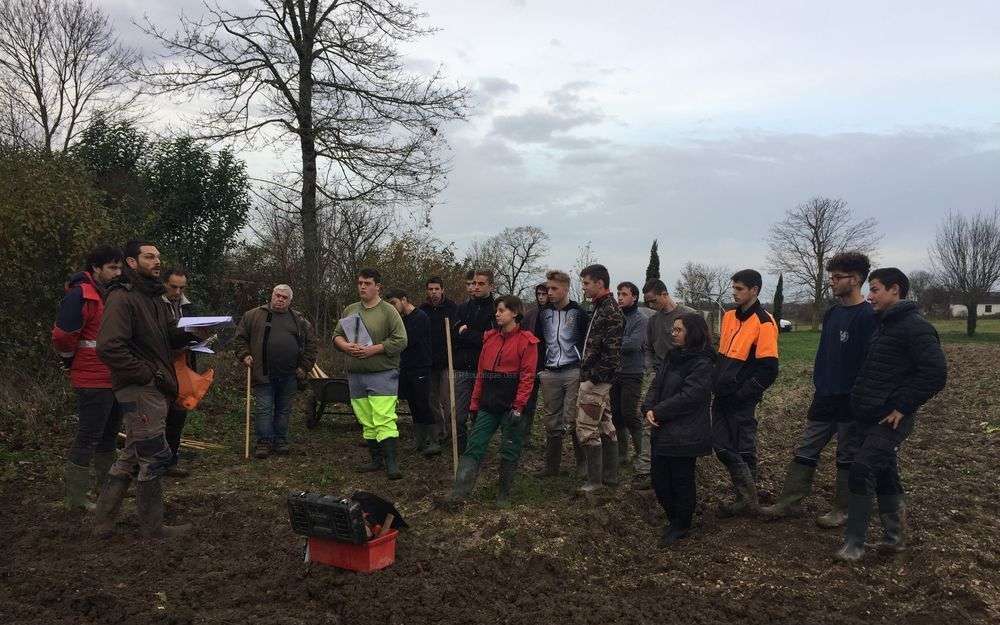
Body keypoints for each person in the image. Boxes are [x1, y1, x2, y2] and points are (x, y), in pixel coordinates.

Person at [835, 268, 947, 562]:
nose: (869, 296)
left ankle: (854, 543)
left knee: (861, 469)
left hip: (891, 417)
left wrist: (903, 407)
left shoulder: (916, 328)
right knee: (885, 471)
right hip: (868, 415)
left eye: (875, 290)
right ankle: (895, 538)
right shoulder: (884, 325)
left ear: (895, 290)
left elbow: (935, 373)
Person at [761, 252, 877, 526]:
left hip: (852, 400)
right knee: (806, 448)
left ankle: (842, 509)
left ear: (856, 279)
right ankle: (788, 502)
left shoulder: (869, 316)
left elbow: (871, 361)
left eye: (838, 278)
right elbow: (825, 353)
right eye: (831, 277)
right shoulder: (833, 313)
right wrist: (820, 383)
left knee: (847, 454)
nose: (832, 283)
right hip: (825, 396)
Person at [93, 240, 198, 539]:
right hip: (139, 389)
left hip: (151, 387)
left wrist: (192, 333)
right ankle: (153, 528)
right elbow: (109, 347)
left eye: (158, 257)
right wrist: (147, 375)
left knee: (130, 455)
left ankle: (103, 523)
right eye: (149, 256)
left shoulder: (152, 297)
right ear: (131, 262)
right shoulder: (122, 298)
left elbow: (166, 337)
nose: (156, 261)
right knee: (154, 456)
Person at [446, 296, 539, 507]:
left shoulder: (527, 342)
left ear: (514, 313)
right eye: (497, 310)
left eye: (502, 310)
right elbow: (481, 374)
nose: (497, 314)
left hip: (512, 405)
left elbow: (527, 377)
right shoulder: (490, 340)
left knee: (509, 449)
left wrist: (519, 407)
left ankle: (503, 494)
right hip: (488, 403)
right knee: (474, 446)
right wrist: (474, 404)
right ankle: (459, 492)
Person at [52, 245, 123, 512]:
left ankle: (106, 489)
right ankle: (77, 499)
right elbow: (62, 335)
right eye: (112, 268)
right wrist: (69, 359)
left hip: (113, 376)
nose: (117, 273)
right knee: (89, 436)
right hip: (93, 378)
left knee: (108, 436)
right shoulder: (82, 295)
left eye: (119, 268)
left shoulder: (107, 294)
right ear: (96, 268)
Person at [642, 313, 716, 546]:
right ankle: (673, 518)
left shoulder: (704, 362)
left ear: (691, 333)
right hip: (663, 428)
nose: (673, 334)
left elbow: (690, 396)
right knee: (660, 479)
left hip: (686, 432)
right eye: (673, 330)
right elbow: (656, 385)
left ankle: (681, 524)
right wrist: (648, 407)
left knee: (681, 480)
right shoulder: (673, 356)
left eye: (678, 330)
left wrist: (659, 411)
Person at [712, 269, 779, 517]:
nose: (735, 292)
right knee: (720, 445)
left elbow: (769, 369)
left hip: (741, 399)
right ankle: (746, 494)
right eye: (734, 288)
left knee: (743, 445)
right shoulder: (729, 317)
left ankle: (746, 499)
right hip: (721, 394)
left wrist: (743, 394)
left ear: (755, 290)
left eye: (740, 289)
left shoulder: (764, 322)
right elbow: (722, 355)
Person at [334, 268, 408, 480]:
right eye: (360, 283)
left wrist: (373, 349)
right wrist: (346, 346)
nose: (363, 287)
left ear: (378, 287)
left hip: (382, 373)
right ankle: (376, 460)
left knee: (383, 417)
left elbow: (401, 340)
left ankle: (392, 463)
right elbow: (337, 335)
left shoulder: (388, 311)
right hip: (356, 374)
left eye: (367, 283)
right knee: (366, 419)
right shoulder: (350, 310)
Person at [232, 284, 317, 459]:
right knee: (263, 409)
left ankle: (280, 440)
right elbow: (240, 339)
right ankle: (264, 442)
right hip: (262, 372)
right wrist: (244, 355)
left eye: (284, 297)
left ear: (290, 301)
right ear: (272, 295)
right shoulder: (253, 316)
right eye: (277, 295)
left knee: (283, 409)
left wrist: (304, 367)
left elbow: (311, 345)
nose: (279, 299)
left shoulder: (299, 320)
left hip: (289, 374)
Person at [634, 280, 693, 488]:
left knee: (678, 420)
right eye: (648, 302)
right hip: (659, 375)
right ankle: (644, 469)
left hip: (685, 376)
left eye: (653, 300)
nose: (651, 305)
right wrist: (652, 369)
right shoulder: (653, 321)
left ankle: (679, 464)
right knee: (649, 418)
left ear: (665, 294)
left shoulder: (688, 315)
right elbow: (648, 348)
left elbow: (701, 345)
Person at [535, 270, 589, 478]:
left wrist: (583, 368)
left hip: (573, 370)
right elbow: (538, 342)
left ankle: (582, 464)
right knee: (551, 419)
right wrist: (540, 369)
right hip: (550, 371)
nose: (549, 292)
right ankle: (552, 466)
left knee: (573, 418)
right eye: (548, 288)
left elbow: (586, 342)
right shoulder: (544, 314)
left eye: (554, 288)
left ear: (566, 289)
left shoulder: (579, 313)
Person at [575, 264, 624, 494]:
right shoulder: (600, 307)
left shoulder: (610, 311)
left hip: (597, 381)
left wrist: (592, 379)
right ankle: (610, 477)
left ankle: (595, 482)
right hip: (595, 377)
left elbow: (611, 354)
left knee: (586, 427)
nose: (583, 287)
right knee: (605, 424)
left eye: (586, 283)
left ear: (600, 283)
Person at [386, 288, 441, 457]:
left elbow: (405, 341)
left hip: (420, 367)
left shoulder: (420, 317)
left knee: (423, 403)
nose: (393, 307)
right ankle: (419, 441)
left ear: (404, 299)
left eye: (394, 303)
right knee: (413, 404)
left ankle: (434, 441)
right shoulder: (402, 319)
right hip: (406, 367)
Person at [451, 269, 497, 453]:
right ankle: (462, 451)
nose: (476, 287)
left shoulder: (496, 309)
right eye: (474, 283)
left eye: (481, 284)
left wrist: (466, 332)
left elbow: (490, 340)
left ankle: (477, 450)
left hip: (484, 369)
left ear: (491, 286)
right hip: (463, 367)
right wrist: (470, 335)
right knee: (460, 415)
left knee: (480, 414)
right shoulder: (462, 308)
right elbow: (454, 334)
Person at [161, 267, 197, 477]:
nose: (177, 292)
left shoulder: (188, 306)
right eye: (173, 287)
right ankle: (152, 463)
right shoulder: (154, 305)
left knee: (178, 415)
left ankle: (171, 460)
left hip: (184, 365)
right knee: (159, 417)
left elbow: (193, 330)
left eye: (182, 288)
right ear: (165, 283)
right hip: (162, 366)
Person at [612, 281, 648, 469]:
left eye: (624, 294)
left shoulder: (640, 319)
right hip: (615, 372)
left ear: (634, 297)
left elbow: (633, 345)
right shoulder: (616, 317)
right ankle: (622, 455)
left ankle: (642, 454)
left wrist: (613, 342)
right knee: (616, 414)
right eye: (618, 293)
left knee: (629, 413)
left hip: (632, 372)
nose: (620, 297)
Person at [419, 276, 458, 445]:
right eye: (430, 289)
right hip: (429, 362)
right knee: (431, 400)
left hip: (447, 362)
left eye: (436, 289)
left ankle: (452, 432)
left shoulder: (452, 308)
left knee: (447, 399)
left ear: (442, 290)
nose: (433, 292)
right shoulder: (423, 310)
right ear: (427, 291)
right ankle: (439, 433)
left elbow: (457, 333)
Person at [518, 283, 548, 449]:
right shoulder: (530, 315)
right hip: (532, 364)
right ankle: (524, 436)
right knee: (528, 402)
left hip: (551, 364)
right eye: (539, 294)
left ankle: (553, 439)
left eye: (544, 294)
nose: (541, 297)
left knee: (552, 406)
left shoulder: (556, 314)